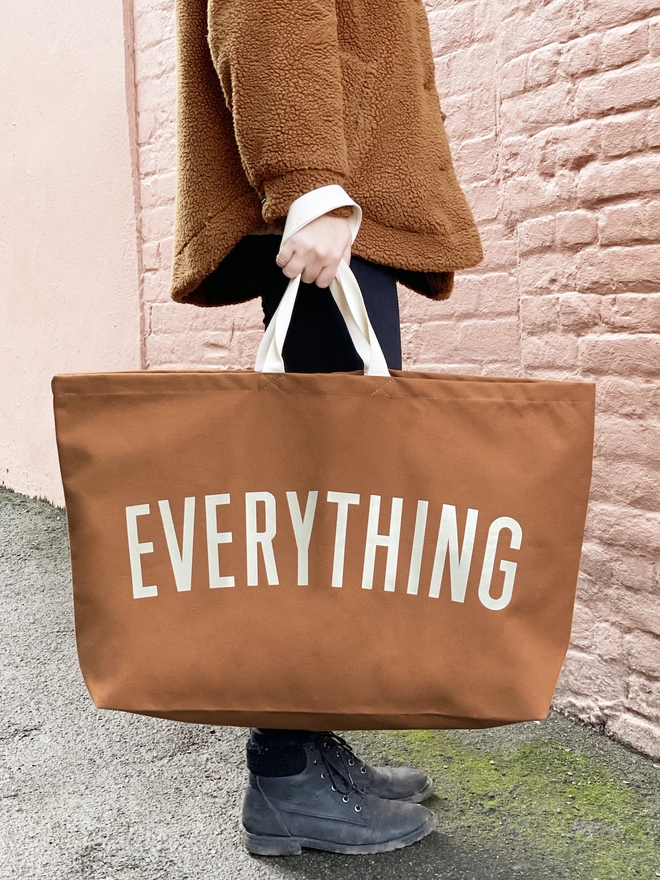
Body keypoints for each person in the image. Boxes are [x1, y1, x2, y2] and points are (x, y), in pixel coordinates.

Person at [169, 0, 483, 857]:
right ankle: (283, 775)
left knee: (330, 507)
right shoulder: (315, 191)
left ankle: (304, 748)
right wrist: (307, 176)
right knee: (314, 512)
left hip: (338, 201)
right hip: (325, 202)